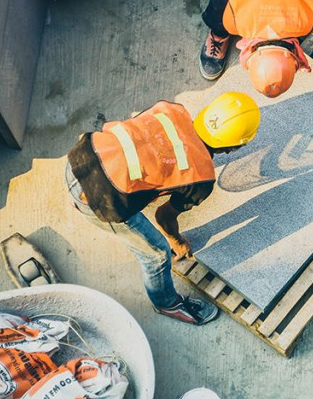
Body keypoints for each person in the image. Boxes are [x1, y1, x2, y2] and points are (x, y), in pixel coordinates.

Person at [65, 92, 261, 324]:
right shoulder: (201, 179)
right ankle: (166, 303)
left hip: (80, 157)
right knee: (157, 254)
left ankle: (82, 197)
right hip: (97, 198)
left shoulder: (172, 110)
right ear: (233, 148)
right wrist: (176, 240)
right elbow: (163, 216)